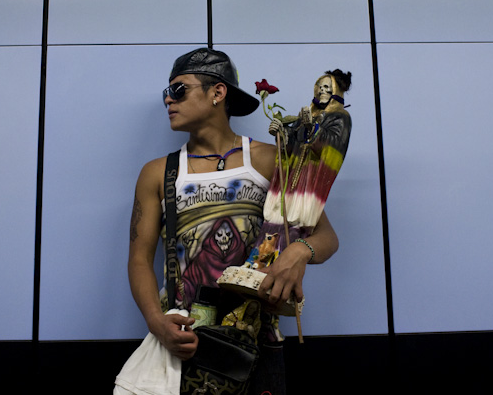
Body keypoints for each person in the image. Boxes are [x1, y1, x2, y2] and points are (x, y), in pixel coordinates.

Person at [127, 47, 339, 393]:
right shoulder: (157, 173)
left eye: (179, 90)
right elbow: (139, 259)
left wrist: (299, 252)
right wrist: (155, 322)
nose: (168, 99)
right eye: (167, 92)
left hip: (257, 341)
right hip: (186, 341)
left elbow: (327, 237)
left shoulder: (269, 160)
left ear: (218, 92)